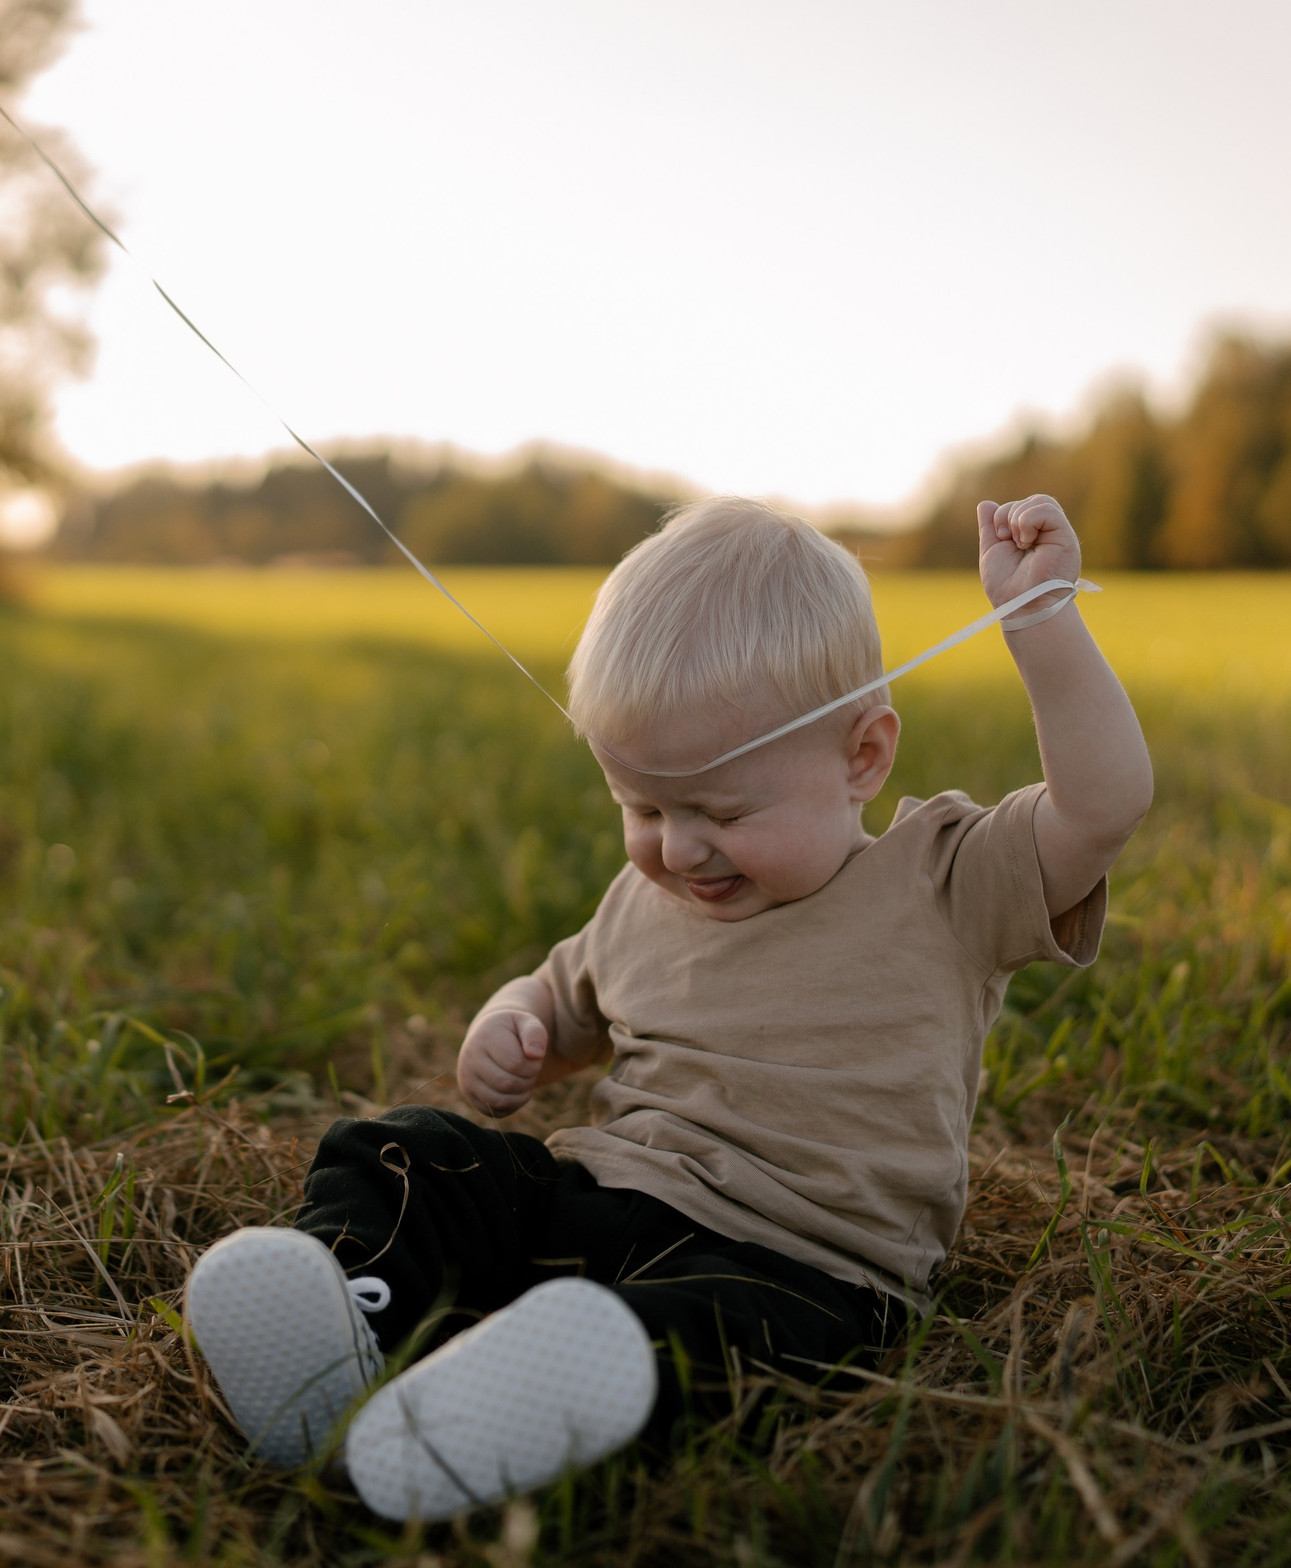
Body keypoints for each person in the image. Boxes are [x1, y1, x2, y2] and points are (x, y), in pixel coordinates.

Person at [183, 494, 1153, 1521]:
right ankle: (349, 1334)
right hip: (605, 1201)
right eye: (641, 808)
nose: (678, 849)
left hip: (804, 1263)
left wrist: (1040, 618)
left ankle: (520, 1403)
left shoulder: (945, 884)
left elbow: (1100, 808)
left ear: (862, 757)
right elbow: (557, 1008)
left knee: (706, 1339)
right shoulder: (645, 900)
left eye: (722, 811)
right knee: (405, 1151)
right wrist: (507, 1028)